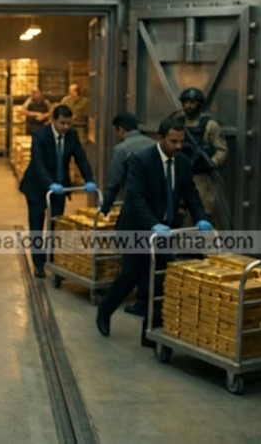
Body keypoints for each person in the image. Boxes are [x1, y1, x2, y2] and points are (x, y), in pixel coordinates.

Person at [96, 118, 212, 347]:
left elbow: (190, 193)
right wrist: (152, 224)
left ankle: (150, 332)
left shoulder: (182, 163)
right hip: (137, 228)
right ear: (160, 139)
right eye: (173, 141)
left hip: (165, 231)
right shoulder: (141, 161)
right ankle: (105, 310)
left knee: (160, 279)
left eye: (181, 141)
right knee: (131, 275)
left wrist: (201, 217)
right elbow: (136, 198)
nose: (178, 146)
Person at [19, 104, 96, 278]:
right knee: (37, 226)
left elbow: (81, 159)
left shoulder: (72, 135)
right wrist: (50, 184)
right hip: (37, 187)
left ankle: (54, 260)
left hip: (60, 187)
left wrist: (89, 179)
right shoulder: (40, 136)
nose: (66, 127)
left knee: (56, 225)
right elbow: (38, 163)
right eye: (62, 123)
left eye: (69, 123)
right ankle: (39, 264)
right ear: (53, 120)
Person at [98, 112, 157, 316]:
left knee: (130, 263)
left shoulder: (122, 149)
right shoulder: (154, 145)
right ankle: (143, 302)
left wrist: (105, 207)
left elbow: (113, 182)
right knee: (150, 261)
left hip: (133, 212)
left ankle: (107, 308)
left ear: (121, 130)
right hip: (155, 214)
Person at [173, 87, 228, 228]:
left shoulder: (210, 125)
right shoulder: (177, 123)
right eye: (185, 102)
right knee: (176, 213)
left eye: (192, 102)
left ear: (199, 104)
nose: (188, 106)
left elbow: (222, 150)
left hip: (200, 178)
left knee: (202, 213)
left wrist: (211, 162)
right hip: (178, 175)